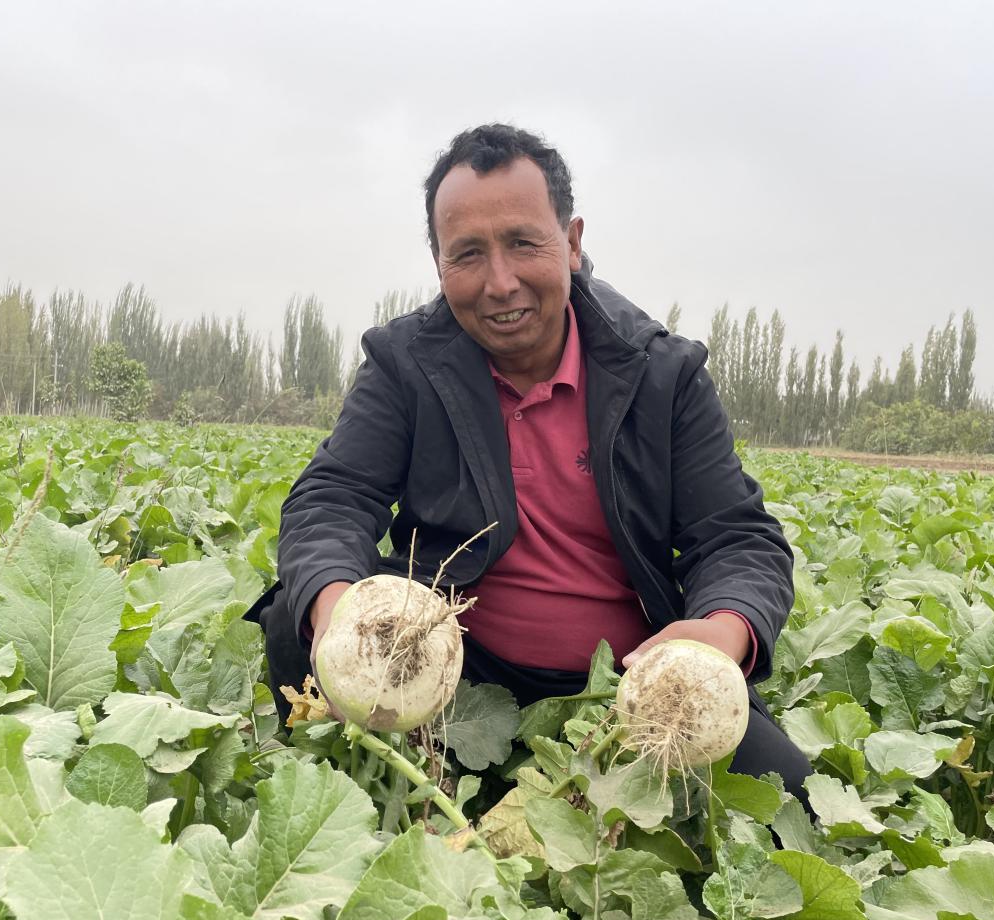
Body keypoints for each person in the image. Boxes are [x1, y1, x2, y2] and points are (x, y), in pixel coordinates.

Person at [250, 123, 810, 794]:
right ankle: (352, 786)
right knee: (296, 609)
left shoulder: (661, 373)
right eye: (468, 254)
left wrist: (724, 630)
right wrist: (337, 615)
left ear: (571, 243)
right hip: (451, 671)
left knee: (790, 807)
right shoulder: (406, 363)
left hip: (627, 688)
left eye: (522, 243)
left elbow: (737, 537)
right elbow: (333, 497)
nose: (500, 282)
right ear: (439, 266)